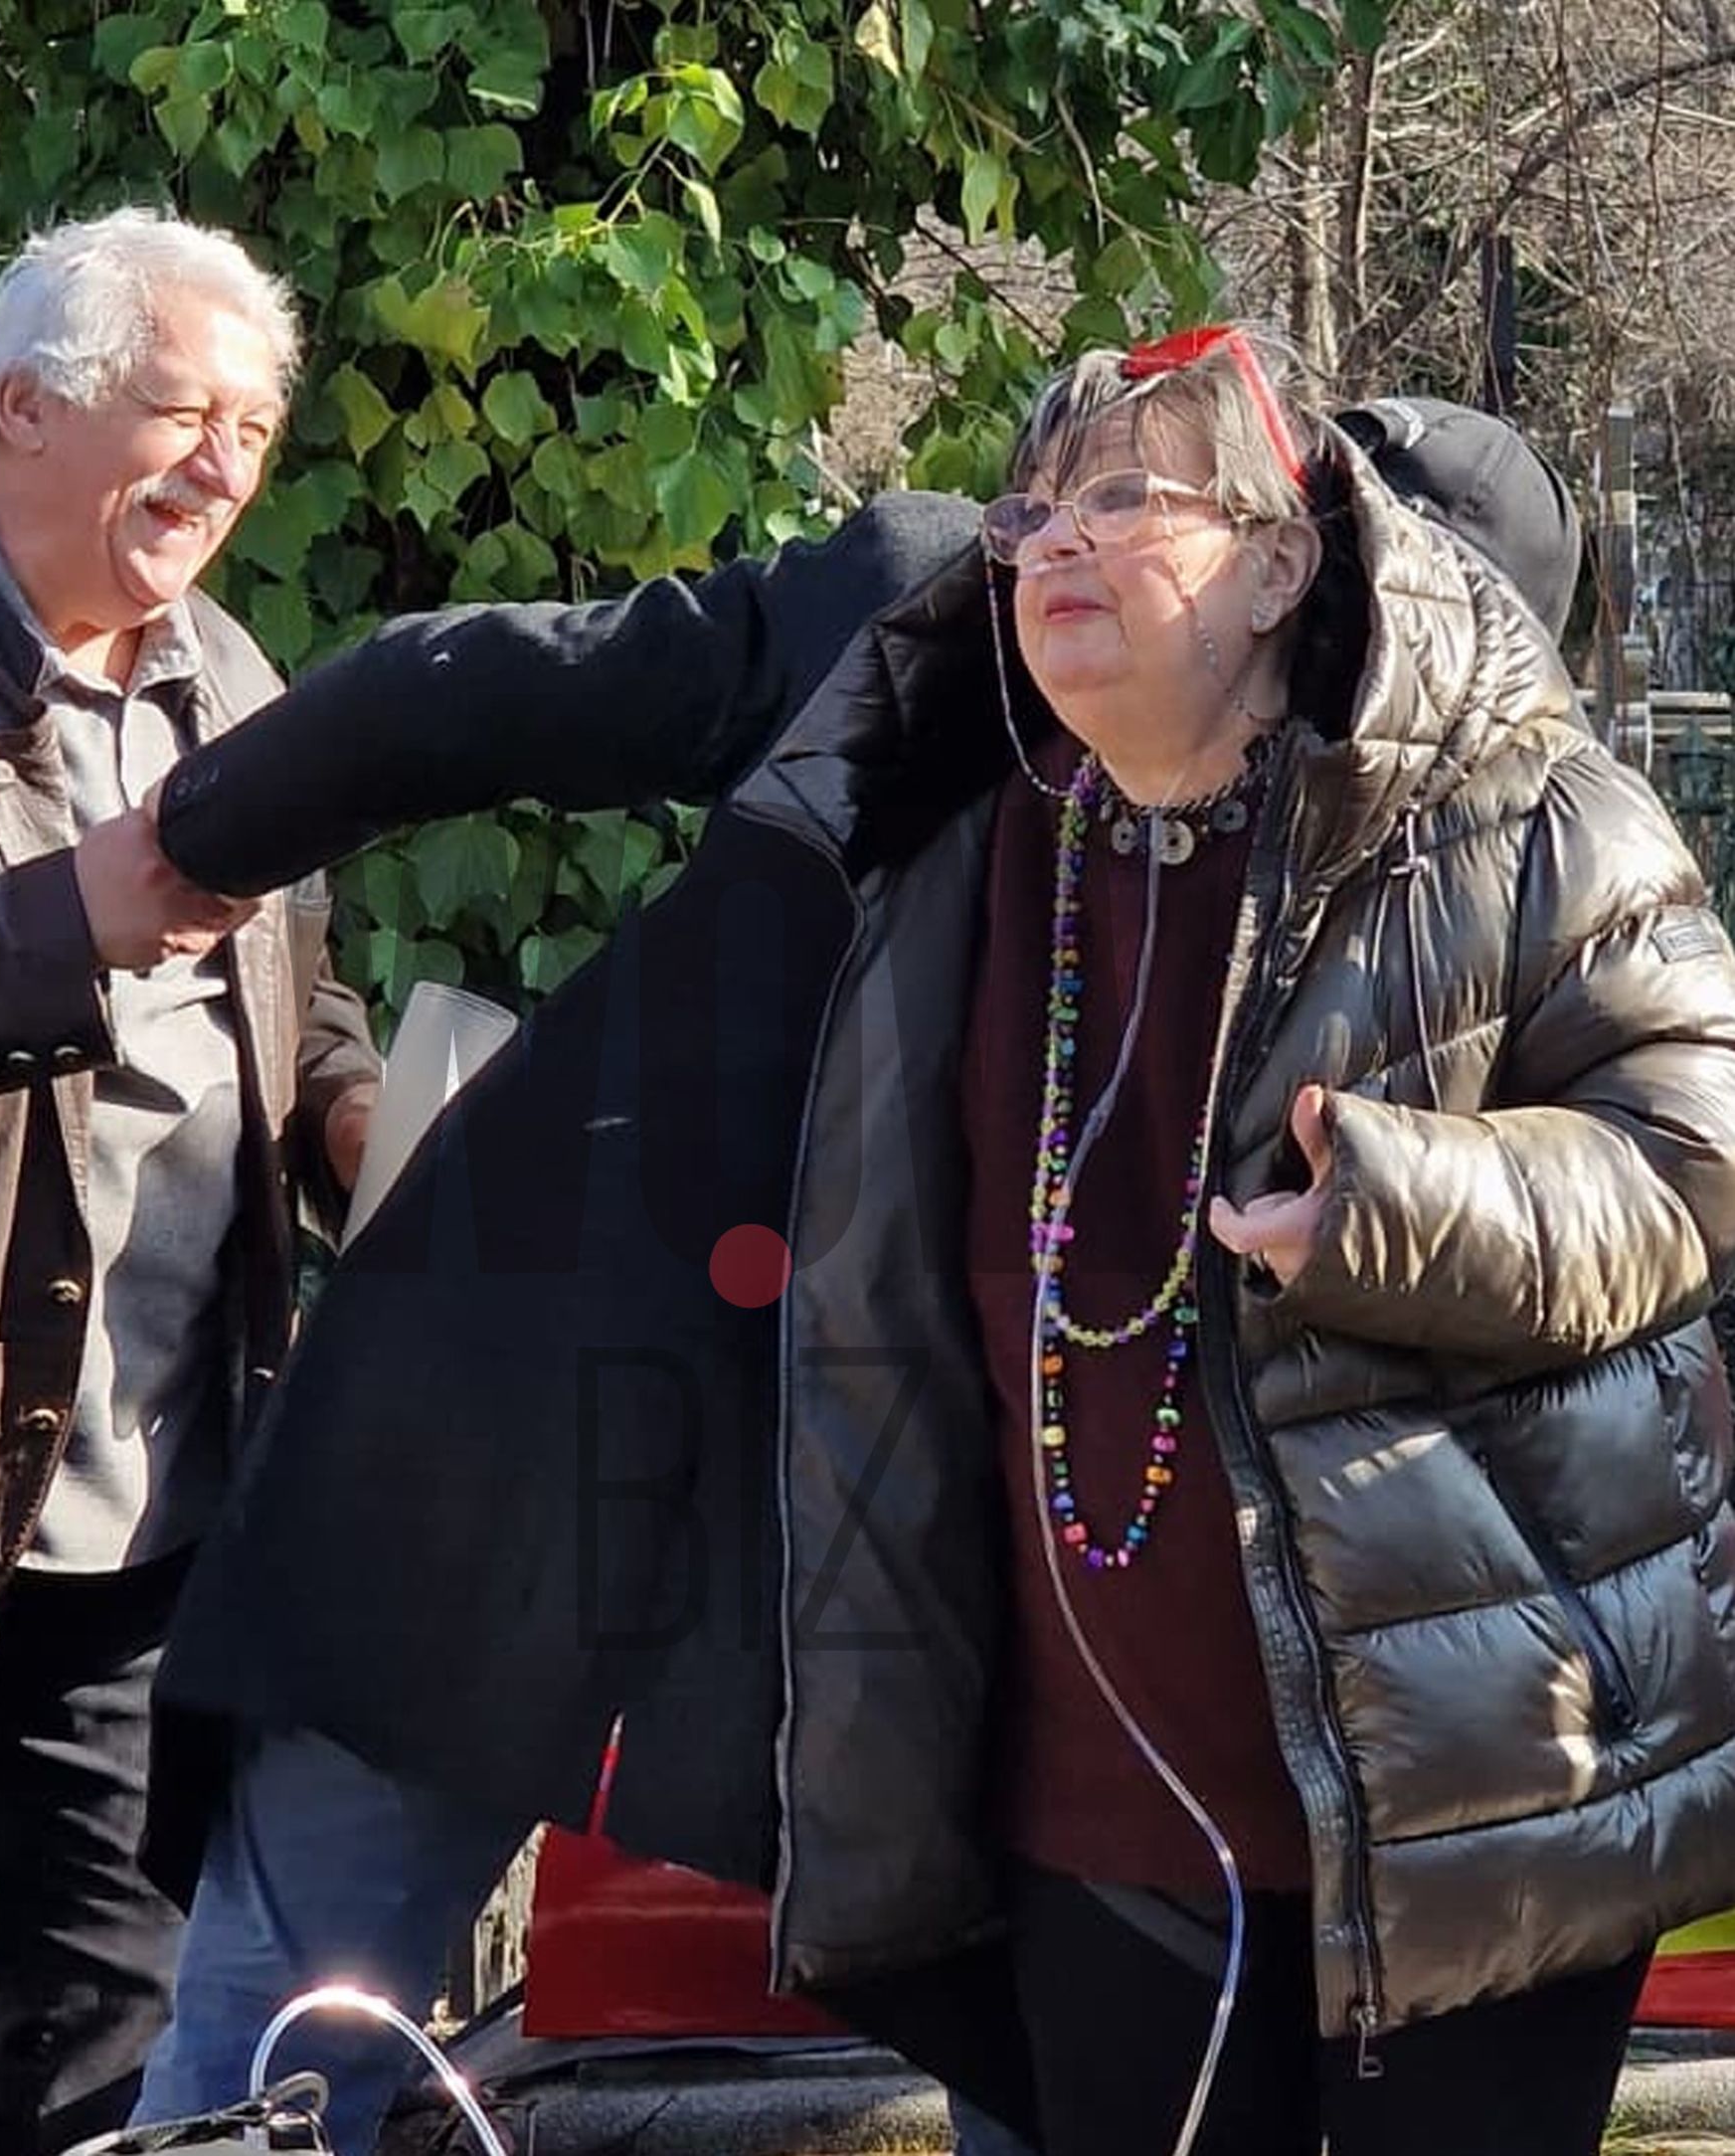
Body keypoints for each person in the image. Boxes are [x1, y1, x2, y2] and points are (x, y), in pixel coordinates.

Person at [134, 345, 1735, 2156]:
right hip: (563, 1419)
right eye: (1057, 507)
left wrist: (1396, 1210)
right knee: (286, 2028)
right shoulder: (939, 638)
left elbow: (1674, 1153)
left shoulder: (1491, 829)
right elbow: (509, 684)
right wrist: (183, 840)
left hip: (1033, 1594)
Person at [0, 206, 380, 2156]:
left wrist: (363, 1128)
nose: (225, 465)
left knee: (115, 2040)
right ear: (22, 407)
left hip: (155, 1501)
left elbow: (300, 995)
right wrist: (70, 919)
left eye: (255, 429)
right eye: (184, 412)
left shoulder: (238, 678)